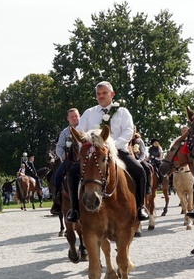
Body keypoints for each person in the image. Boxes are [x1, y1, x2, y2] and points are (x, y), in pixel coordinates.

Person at [66, 81, 150, 223]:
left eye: (104, 93)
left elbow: (128, 131)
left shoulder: (123, 112)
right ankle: (75, 209)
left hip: (118, 151)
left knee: (139, 170)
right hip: (94, 153)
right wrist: (88, 145)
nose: (101, 96)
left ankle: (140, 206)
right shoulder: (89, 113)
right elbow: (80, 132)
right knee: (72, 173)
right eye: (98, 94)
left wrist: (111, 146)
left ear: (112, 94)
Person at [50, 108, 80, 215]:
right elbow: (59, 147)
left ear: (79, 116)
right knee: (57, 175)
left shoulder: (85, 128)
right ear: (68, 119)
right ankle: (57, 201)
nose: (74, 118)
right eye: (72, 117)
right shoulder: (64, 132)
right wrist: (62, 156)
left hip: (85, 158)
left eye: (76, 116)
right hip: (69, 160)